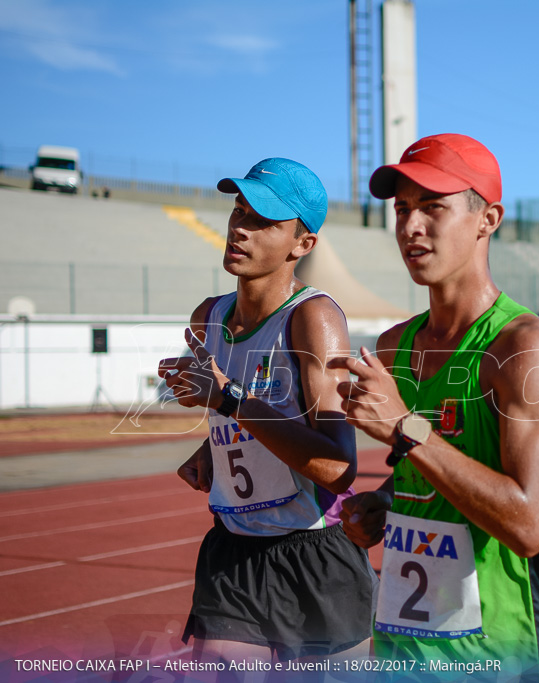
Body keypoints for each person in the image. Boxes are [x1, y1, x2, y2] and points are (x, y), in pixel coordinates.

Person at [329, 134, 539, 679]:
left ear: (487, 219)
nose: (410, 227)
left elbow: (527, 523)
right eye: (402, 209)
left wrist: (403, 427)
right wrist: (383, 502)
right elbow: (425, 471)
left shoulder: (522, 348)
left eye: (433, 208)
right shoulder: (395, 346)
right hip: (405, 646)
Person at [157, 158, 377, 666]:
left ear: (303, 244)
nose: (240, 229)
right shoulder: (206, 317)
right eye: (239, 212)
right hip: (232, 550)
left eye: (264, 222)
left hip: (314, 552)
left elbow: (338, 469)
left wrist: (228, 400)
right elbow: (247, 410)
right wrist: (210, 447)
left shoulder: (313, 318)